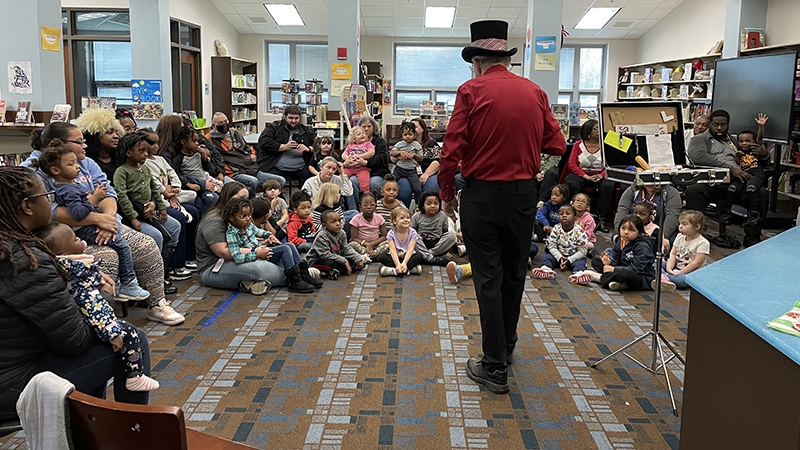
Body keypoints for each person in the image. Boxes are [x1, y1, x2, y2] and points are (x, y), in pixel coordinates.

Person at [438, 20, 566, 394]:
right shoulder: (535, 91)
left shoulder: (471, 90)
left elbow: (450, 152)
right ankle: (505, 347)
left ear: (476, 61)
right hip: (524, 194)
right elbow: (556, 144)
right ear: (505, 59)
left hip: (482, 196)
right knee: (514, 273)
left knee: (487, 279)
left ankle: (494, 366)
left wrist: (447, 193)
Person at [0, 166, 151, 418]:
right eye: (47, 196)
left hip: (11, 364)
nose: (52, 202)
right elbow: (75, 341)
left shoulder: (11, 248)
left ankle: (92, 433)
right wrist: (99, 290)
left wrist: (71, 274)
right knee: (131, 339)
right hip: (12, 385)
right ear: (27, 207)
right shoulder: (24, 261)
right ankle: (131, 434)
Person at [23, 122, 184, 316]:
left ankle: (157, 303)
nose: (85, 146)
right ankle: (102, 319)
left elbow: (109, 193)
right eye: (79, 141)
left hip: (102, 222)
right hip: (66, 234)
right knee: (108, 257)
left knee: (146, 244)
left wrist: (107, 220)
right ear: (57, 144)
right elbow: (51, 211)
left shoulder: (87, 163)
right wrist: (97, 220)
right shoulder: (37, 170)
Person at [34, 223, 159, 391]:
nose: (81, 240)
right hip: (81, 329)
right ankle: (135, 378)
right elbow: (92, 305)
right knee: (131, 334)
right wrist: (111, 328)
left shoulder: (56, 266)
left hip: (70, 333)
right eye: (76, 239)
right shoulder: (76, 273)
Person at [34, 142, 150, 301]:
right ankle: (128, 284)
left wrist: (104, 219)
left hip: (88, 225)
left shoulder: (69, 184)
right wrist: (94, 199)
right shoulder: (66, 189)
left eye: (76, 162)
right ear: (55, 170)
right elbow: (77, 213)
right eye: (71, 164)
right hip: (82, 228)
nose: (77, 167)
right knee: (122, 246)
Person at [685, 109, 769, 247]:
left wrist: (765, 154)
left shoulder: (736, 140)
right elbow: (697, 156)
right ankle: (694, 238)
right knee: (694, 190)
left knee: (762, 193)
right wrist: (730, 169)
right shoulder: (700, 139)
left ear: (728, 125)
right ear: (710, 124)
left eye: (723, 125)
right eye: (715, 124)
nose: (719, 128)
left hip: (739, 182)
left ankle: (752, 237)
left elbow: (756, 157)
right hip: (714, 183)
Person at [195, 182, 287, 294]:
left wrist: (264, 243)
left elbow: (245, 239)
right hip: (213, 267)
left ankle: (297, 272)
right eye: (241, 198)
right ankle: (294, 277)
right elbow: (222, 252)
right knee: (259, 267)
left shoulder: (240, 216)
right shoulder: (214, 220)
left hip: (235, 259)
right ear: (228, 198)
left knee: (279, 254)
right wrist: (255, 251)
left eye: (246, 198)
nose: (244, 202)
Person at [114, 133, 183, 267]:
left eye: (146, 151)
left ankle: (164, 266)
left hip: (151, 212)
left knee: (175, 226)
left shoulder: (145, 169)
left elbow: (154, 189)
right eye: (141, 151)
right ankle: (152, 271)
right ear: (128, 153)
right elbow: (122, 196)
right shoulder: (121, 172)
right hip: (134, 215)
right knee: (156, 235)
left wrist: (161, 208)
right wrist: (133, 217)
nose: (146, 154)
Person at [223, 197, 317, 293]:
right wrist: (257, 255)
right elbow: (237, 257)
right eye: (243, 216)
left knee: (290, 245)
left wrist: (270, 235)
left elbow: (259, 232)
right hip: (257, 257)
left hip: (263, 250)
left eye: (249, 216)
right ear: (231, 218)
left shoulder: (247, 226)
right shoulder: (232, 234)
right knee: (285, 248)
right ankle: (294, 281)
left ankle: (303, 273)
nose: (247, 219)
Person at [207, 112, 285, 197]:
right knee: (252, 181)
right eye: (220, 123)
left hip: (251, 169)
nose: (224, 124)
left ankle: (269, 203)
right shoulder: (209, 139)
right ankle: (251, 205)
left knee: (280, 181)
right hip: (235, 173)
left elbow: (247, 146)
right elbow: (214, 160)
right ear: (214, 126)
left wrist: (253, 154)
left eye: (225, 121)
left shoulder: (235, 132)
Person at [563, 119, 614, 233]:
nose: (598, 131)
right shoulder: (578, 145)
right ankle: (574, 214)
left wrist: (601, 175)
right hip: (582, 174)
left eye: (599, 129)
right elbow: (572, 164)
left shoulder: (605, 145)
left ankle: (601, 218)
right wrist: (585, 176)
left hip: (600, 174)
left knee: (608, 186)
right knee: (571, 182)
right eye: (595, 129)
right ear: (588, 131)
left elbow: (610, 164)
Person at [584, 214, 655, 291]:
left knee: (625, 275)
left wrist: (613, 269)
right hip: (622, 269)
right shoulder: (620, 241)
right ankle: (618, 282)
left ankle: (599, 278)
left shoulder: (642, 246)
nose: (626, 232)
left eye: (631, 230)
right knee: (596, 261)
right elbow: (617, 260)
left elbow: (637, 270)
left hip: (641, 277)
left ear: (639, 233)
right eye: (623, 228)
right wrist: (609, 262)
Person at [257, 105, 316, 185]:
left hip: (300, 168)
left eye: (296, 118)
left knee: (311, 180)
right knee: (272, 186)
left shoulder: (306, 131)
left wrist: (308, 148)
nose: (293, 121)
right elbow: (263, 141)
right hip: (276, 167)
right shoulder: (275, 127)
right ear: (285, 117)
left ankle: (302, 196)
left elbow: (317, 145)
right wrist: (283, 147)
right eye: (291, 118)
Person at [533, 204, 591, 284]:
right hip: (559, 255)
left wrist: (569, 260)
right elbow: (552, 246)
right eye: (561, 214)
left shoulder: (579, 232)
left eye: (567, 214)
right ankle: (546, 269)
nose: (564, 216)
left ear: (574, 218)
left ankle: (578, 274)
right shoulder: (556, 229)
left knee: (581, 262)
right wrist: (560, 258)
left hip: (574, 256)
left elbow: (583, 251)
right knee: (547, 257)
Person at [172, 126, 220, 216]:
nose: (197, 144)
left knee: (215, 198)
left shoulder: (197, 153)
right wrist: (188, 184)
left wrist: (205, 159)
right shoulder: (179, 158)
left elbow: (206, 169)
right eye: (194, 141)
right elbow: (176, 175)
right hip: (193, 186)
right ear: (183, 142)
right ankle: (202, 224)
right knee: (202, 203)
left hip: (205, 183)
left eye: (197, 141)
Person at [721, 128, 766, 226]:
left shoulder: (754, 149)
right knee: (732, 188)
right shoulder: (739, 151)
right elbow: (738, 163)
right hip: (744, 174)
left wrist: (761, 126)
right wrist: (737, 156)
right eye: (741, 141)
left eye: (748, 141)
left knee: (751, 188)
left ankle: (753, 215)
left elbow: (760, 138)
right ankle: (727, 213)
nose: (744, 143)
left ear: (753, 142)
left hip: (756, 175)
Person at [658, 210, 710, 292]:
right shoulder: (679, 236)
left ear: (697, 227)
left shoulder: (703, 243)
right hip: (675, 268)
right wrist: (669, 269)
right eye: (680, 223)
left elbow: (696, 263)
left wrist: (679, 272)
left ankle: (662, 277)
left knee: (682, 280)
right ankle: (665, 278)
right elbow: (673, 254)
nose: (680, 226)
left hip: (690, 274)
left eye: (684, 224)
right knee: (655, 262)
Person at [614, 183, 682, 242]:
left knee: (671, 241)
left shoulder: (670, 192)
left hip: (658, 230)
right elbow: (622, 210)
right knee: (617, 238)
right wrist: (619, 232)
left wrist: (664, 236)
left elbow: (673, 215)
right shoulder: (633, 190)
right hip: (633, 228)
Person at [397, 117, 441, 207]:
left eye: (415, 127)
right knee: (403, 188)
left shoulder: (431, 143)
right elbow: (392, 158)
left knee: (433, 187)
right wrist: (399, 155)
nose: (412, 129)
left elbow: (437, 161)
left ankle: (428, 213)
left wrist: (426, 174)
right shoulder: (402, 143)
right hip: (406, 172)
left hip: (427, 172)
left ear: (423, 129)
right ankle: (402, 214)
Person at [308, 209, 365, 278]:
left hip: (335, 257)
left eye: (339, 221)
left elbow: (346, 248)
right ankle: (326, 272)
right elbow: (325, 255)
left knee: (354, 262)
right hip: (318, 260)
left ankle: (335, 271)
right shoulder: (322, 235)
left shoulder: (342, 233)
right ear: (324, 226)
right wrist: (343, 261)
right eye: (333, 222)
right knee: (332, 264)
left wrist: (358, 258)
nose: (338, 224)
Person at [345, 116, 390, 197]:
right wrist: (347, 162)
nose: (366, 129)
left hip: (376, 171)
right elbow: (343, 155)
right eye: (363, 127)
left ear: (374, 128)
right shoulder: (352, 141)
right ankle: (356, 207)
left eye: (369, 126)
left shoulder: (379, 141)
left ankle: (374, 207)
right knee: (351, 181)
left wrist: (365, 162)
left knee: (374, 183)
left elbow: (382, 158)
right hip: (355, 170)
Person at [77, 108, 124, 183]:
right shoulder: (88, 163)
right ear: (95, 135)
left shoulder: (121, 158)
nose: (116, 136)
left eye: (116, 132)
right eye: (109, 132)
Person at [377, 206, 424, 277]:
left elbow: (410, 249)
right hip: (395, 257)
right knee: (382, 257)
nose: (406, 220)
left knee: (419, 256)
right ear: (395, 221)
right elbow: (392, 250)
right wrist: (398, 264)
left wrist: (404, 263)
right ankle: (408, 269)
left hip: (408, 256)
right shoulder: (391, 233)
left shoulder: (413, 232)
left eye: (408, 218)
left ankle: (394, 270)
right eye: (402, 218)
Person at [411, 190, 454, 265]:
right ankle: (431, 259)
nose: (432, 206)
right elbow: (411, 231)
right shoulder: (417, 216)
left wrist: (446, 250)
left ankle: (427, 256)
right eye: (428, 203)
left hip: (436, 244)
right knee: (412, 235)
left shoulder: (442, 215)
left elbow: (445, 232)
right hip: (422, 243)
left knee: (452, 236)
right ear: (423, 205)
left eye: (436, 203)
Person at [390, 122, 424, 206]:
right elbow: (392, 152)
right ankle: (389, 203)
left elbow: (421, 158)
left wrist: (414, 155)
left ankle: (418, 206)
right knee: (390, 184)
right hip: (399, 169)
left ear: (414, 135)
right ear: (402, 135)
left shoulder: (417, 145)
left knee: (417, 189)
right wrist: (400, 153)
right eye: (405, 134)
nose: (407, 136)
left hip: (411, 171)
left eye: (410, 134)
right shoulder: (399, 144)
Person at [349, 192, 388, 259]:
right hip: (362, 245)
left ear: (376, 207)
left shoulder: (379, 218)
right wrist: (366, 244)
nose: (369, 207)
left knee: (389, 243)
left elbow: (384, 236)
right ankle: (369, 255)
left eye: (372, 205)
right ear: (360, 207)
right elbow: (354, 238)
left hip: (376, 245)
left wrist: (371, 244)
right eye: (365, 205)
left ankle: (372, 254)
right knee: (352, 245)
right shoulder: (356, 219)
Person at [341, 126, 375, 194]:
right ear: (354, 139)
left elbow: (371, 153)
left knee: (364, 185)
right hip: (350, 168)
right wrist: (348, 158)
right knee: (340, 178)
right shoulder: (350, 145)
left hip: (362, 168)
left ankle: (365, 198)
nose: (362, 135)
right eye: (359, 134)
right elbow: (343, 155)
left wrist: (359, 156)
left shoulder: (368, 144)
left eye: (363, 133)